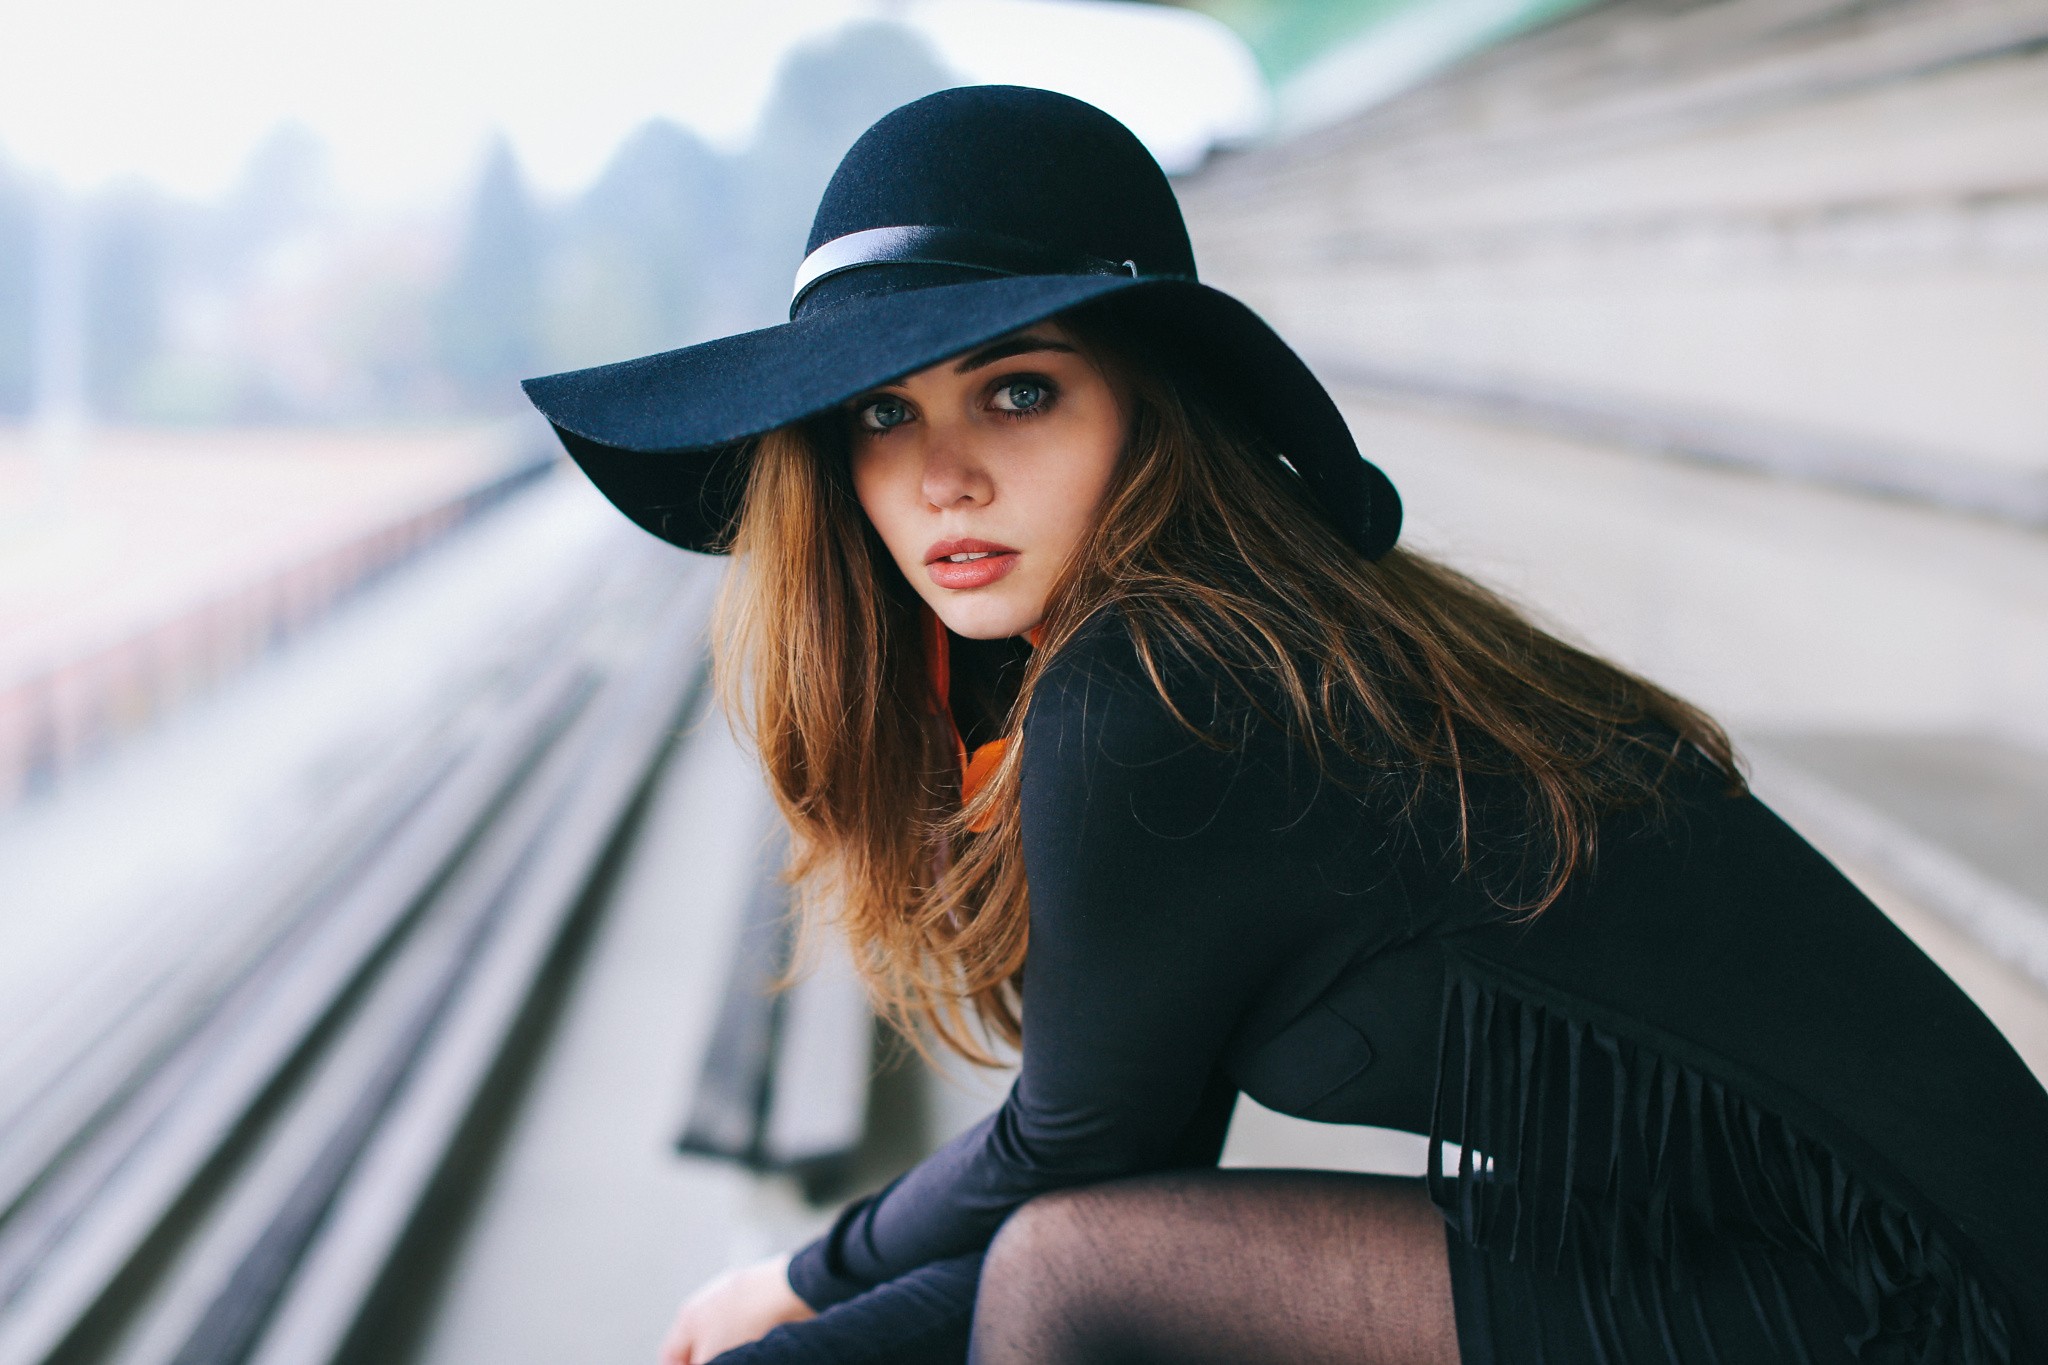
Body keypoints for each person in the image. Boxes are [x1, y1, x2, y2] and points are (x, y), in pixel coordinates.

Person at [522, 86, 2048, 1365]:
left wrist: (798, 1281)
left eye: (1019, 392)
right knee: (1063, 1270)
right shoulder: (1207, 642)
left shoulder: (1164, 689)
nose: (944, 478)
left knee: (1064, 1277)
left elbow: (1067, 1170)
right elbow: (1129, 1167)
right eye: (880, 414)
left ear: (1144, 406)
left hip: (1921, 1299)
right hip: (1759, 1248)